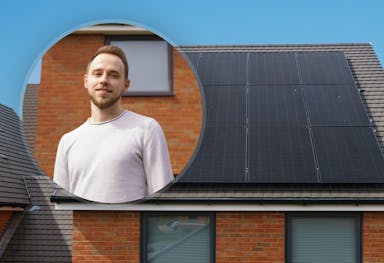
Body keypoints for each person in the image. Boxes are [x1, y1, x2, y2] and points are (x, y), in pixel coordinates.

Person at [53, 45, 174, 203]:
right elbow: (60, 206)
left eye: (113, 75)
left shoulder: (147, 129)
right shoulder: (67, 142)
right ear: (86, 81)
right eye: (97, 74)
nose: (104, 80)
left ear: (126, 84)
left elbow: (162, 199)